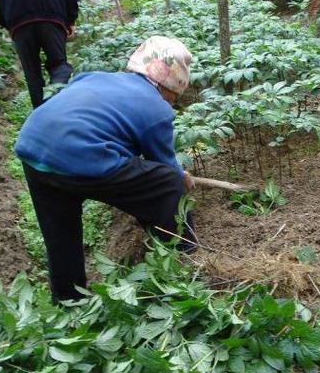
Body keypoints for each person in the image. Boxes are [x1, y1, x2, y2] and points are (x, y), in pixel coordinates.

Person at [14, 36, 196, 303]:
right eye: (175, 96)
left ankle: (68, 300)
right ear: (170, 85)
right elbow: (164, 167)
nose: (173, 101)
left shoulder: (94, 77)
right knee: (168, 184)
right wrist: (182, 179)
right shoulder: (157, 109)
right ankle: (185, 252)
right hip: (79, 158)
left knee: (60, 233)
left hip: (34, 148)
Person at [0, 0, 79, 108]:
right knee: (59, 66)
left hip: (18, 21)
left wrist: (7, 23)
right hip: (52, 15)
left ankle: (41, 116)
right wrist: (71, 18)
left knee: (32, 74)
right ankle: (57, 104)